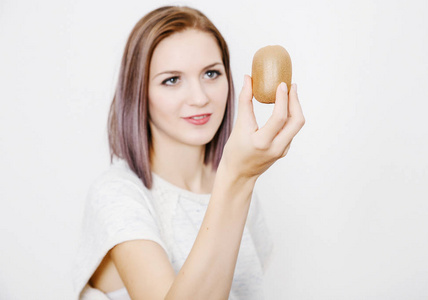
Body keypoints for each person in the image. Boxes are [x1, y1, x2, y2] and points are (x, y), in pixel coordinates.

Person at [73, 5, 305, 300]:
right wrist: (237, 179)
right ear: (139, 91)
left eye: (211, 73)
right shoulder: (118, 195)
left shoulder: (238, 185)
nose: (200, 98)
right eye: (172, 80)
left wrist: (238, 179)